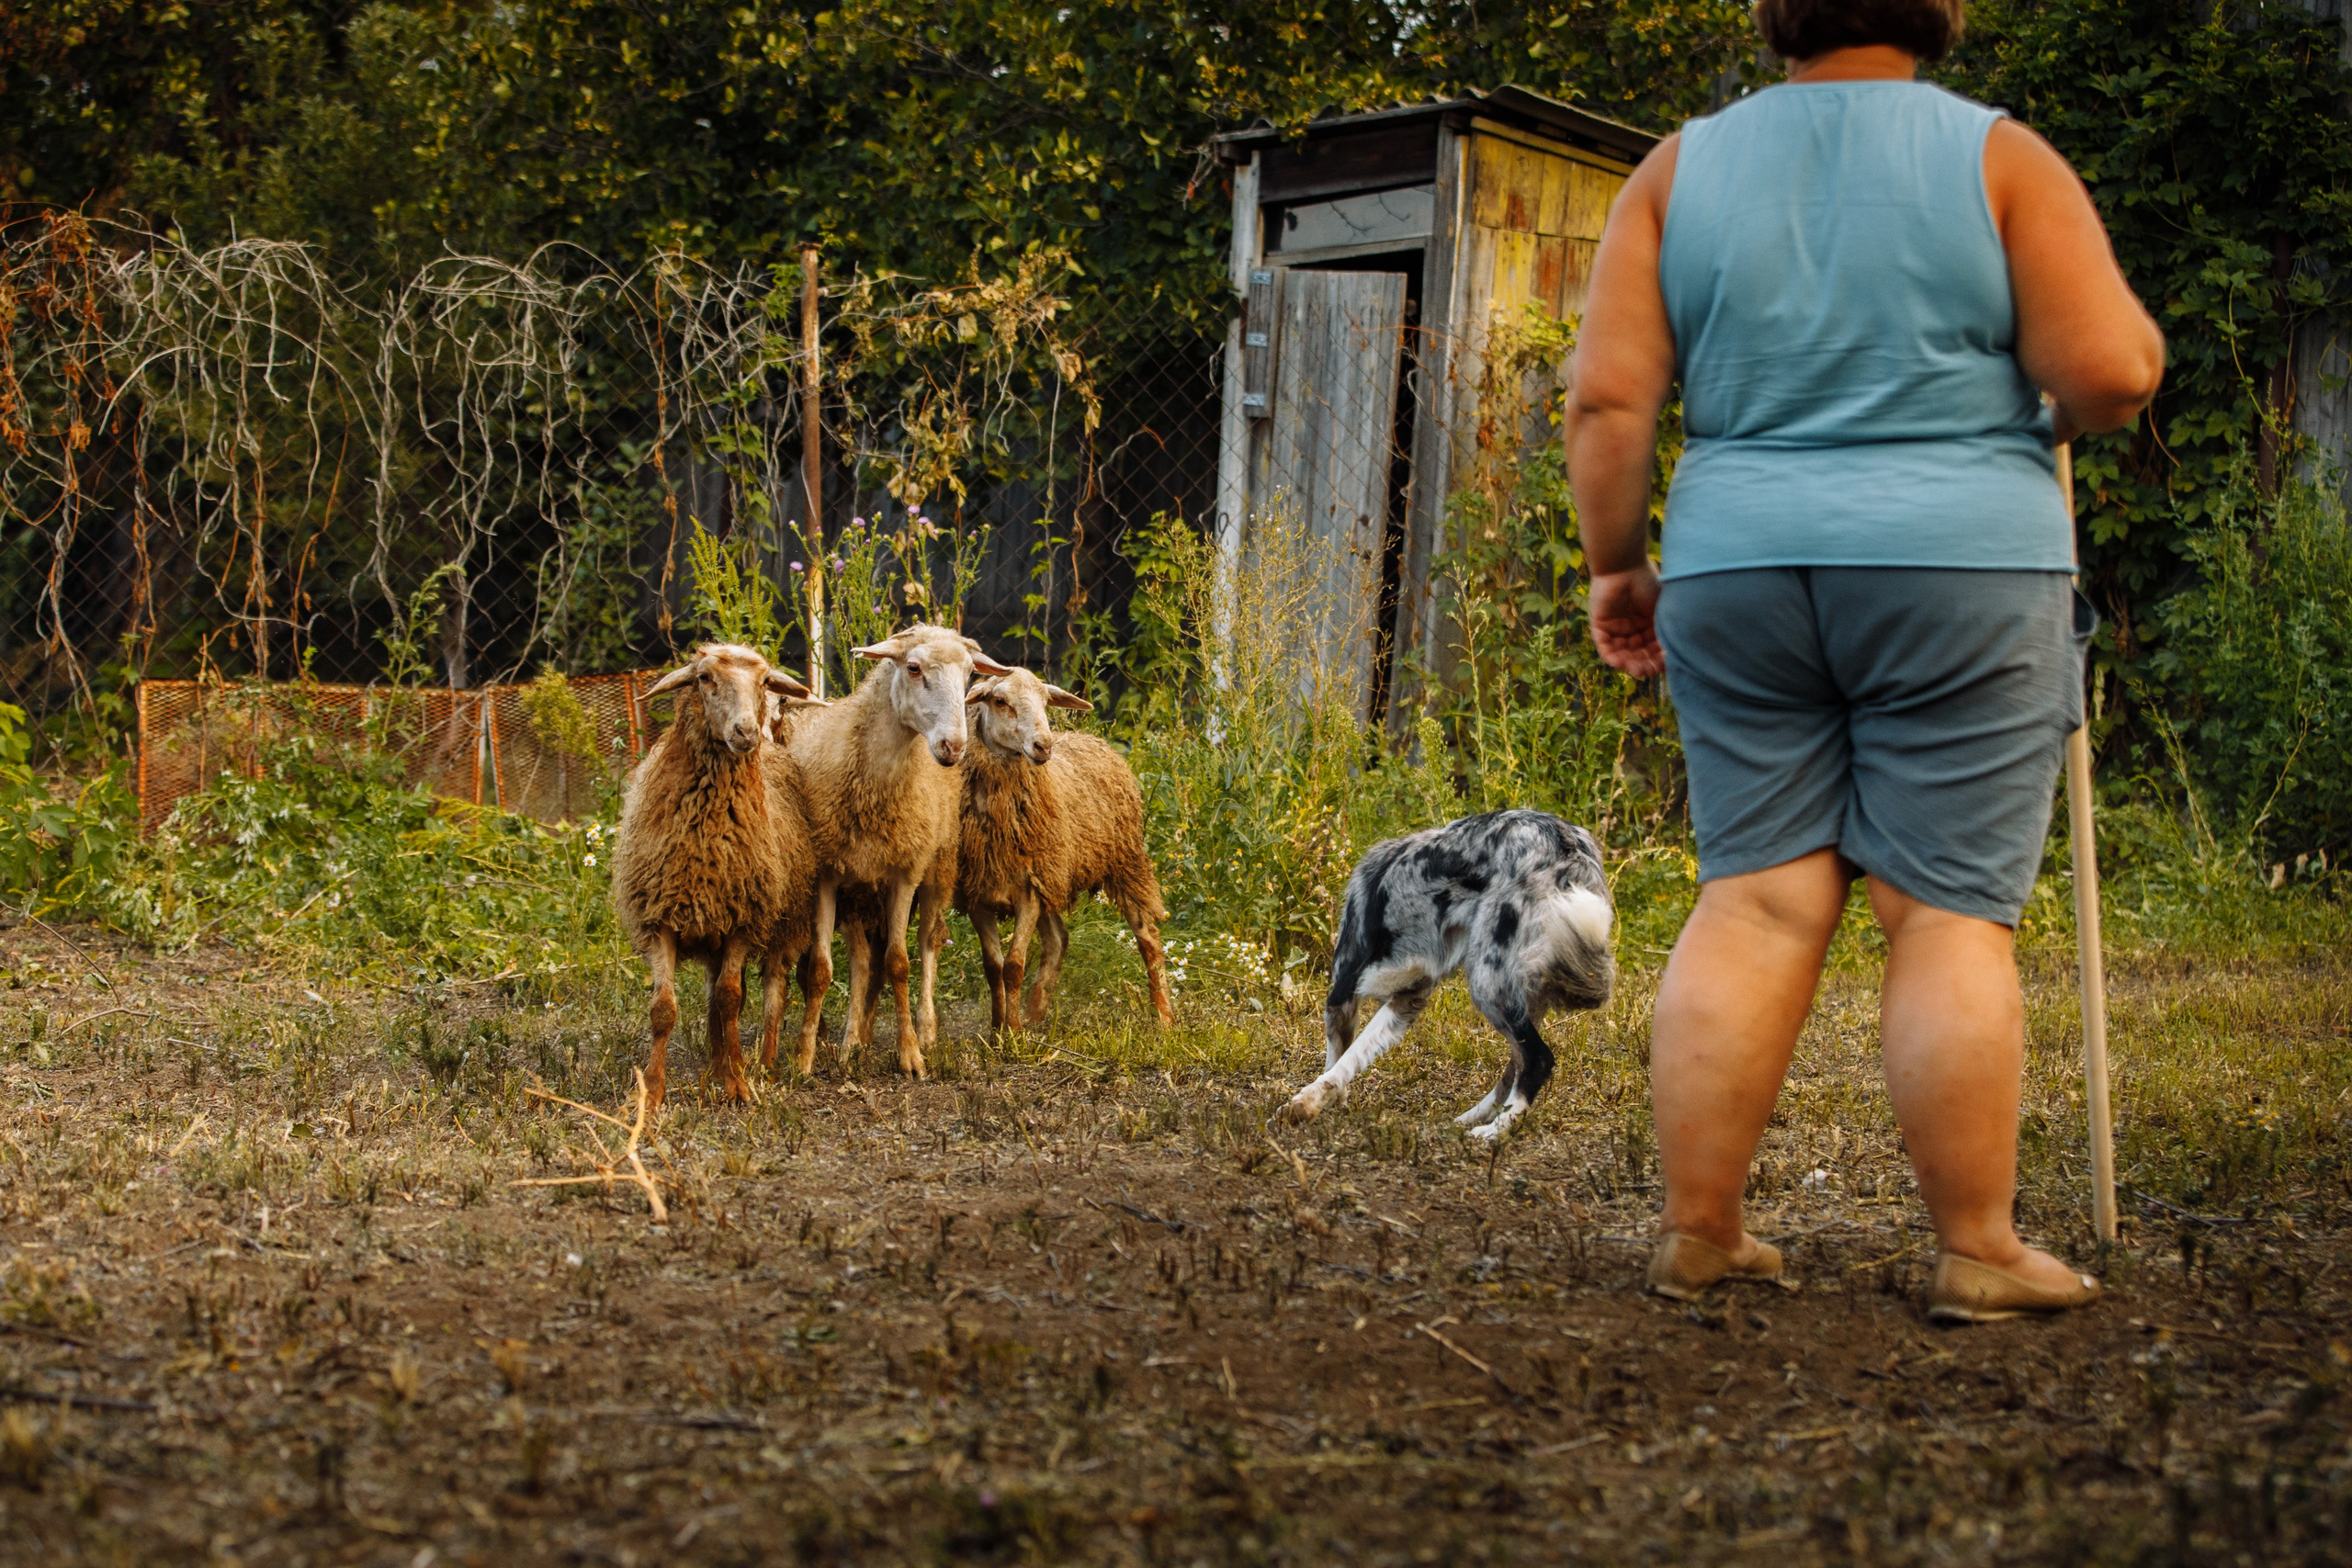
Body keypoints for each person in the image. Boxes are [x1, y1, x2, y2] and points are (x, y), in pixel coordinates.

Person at [1565, 0, 2163, 1321]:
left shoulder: (1679, 168)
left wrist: (1619, 565)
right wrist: (2058, 408)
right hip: (1965, 562)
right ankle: (1977, 1247)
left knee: (1757, 901)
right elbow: (2114, 367)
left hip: (1738, 567)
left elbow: (1610, 399)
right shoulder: (1999, 158)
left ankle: (1703, 1229)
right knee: (1944, 908)